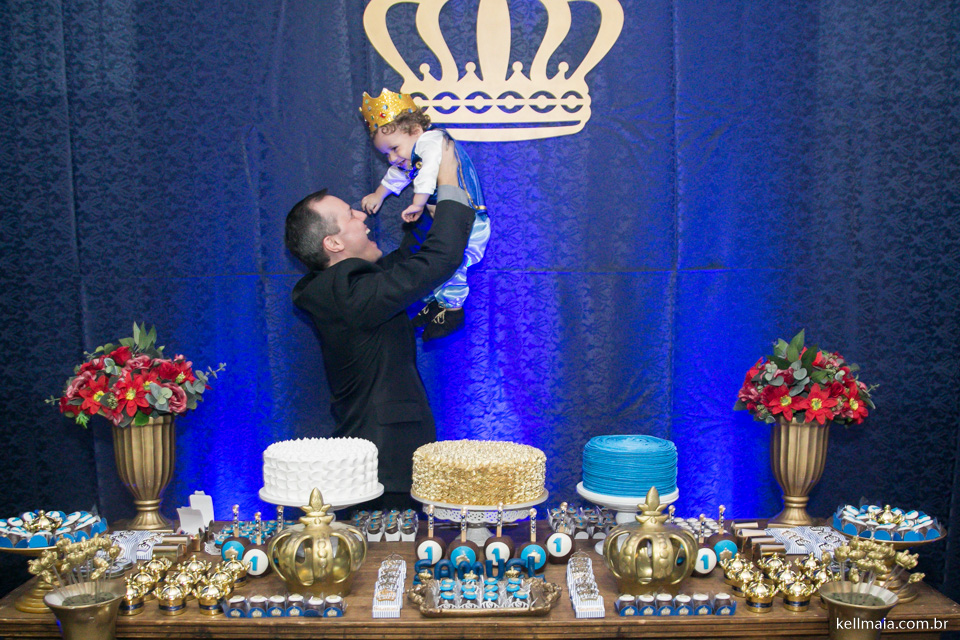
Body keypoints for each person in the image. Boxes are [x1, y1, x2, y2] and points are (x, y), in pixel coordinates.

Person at [284, 138, 476, 496]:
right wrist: (451, 185)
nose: (362, 214)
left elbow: (409, 260)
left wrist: (430, 207)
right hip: (382, 471)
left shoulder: (344, 287)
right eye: (349, 216)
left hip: (381, 463)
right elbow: (438, 262)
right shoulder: (346, 294)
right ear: (334, 243)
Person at [359, 88, 491, 341]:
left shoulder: (432, 141)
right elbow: (397, 176)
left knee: (454, 267)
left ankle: (452, 311)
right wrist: (378, 194)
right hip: (443, 222)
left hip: (471, 222)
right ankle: (435, 304)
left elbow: (429, 172)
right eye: (386, 154)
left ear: (416, 131)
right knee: (426, 261)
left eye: (395, 149)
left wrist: (418, 202)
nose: (392, 158)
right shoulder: (410, 154)